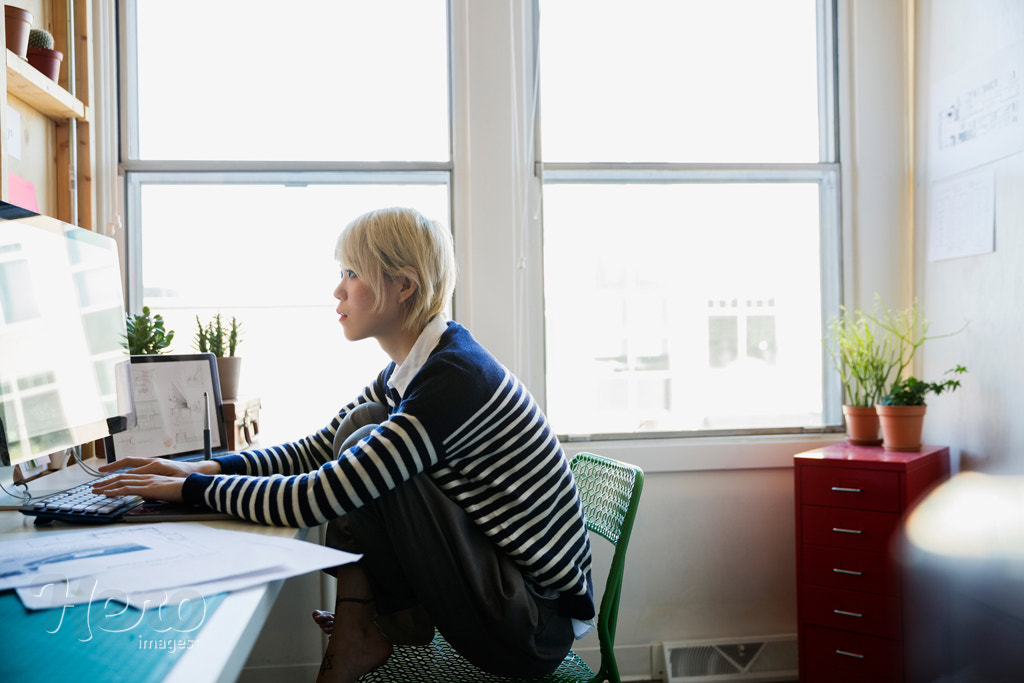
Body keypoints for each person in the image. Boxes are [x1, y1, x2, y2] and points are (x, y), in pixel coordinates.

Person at [95, 207, 595, 683]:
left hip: (529, 626)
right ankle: (365, 627)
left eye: (352, 273)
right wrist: (198, 468)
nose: (338, 290)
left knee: (364, 443)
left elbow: (320, 495)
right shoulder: (415, 369)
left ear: (403, 285)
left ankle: (364, 629)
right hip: (501, 593)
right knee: (362, 424)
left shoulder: (453, 379)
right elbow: (317, 450)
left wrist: (193, 492)